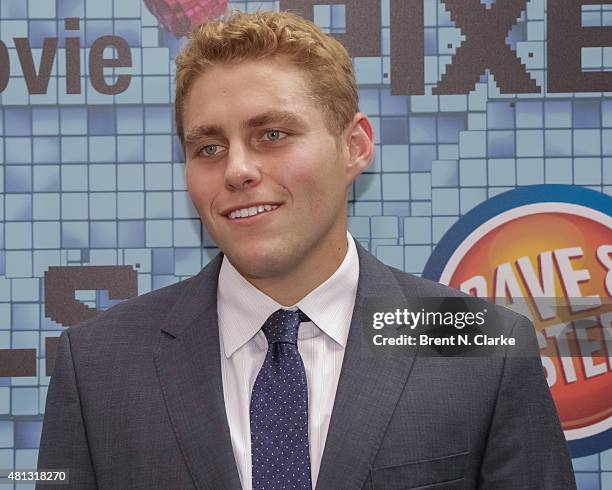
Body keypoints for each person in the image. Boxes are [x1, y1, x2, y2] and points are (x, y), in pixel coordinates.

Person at [37, 10, 576, 490]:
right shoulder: (98, 366)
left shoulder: (482, 348)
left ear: (355, 147)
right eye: (209, 147)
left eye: (272, 134)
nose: (238, 170)